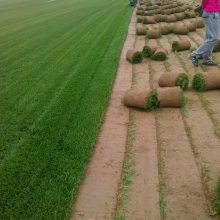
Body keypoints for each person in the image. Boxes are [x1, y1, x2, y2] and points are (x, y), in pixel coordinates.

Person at [191, 0, 220, 66]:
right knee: (214, 38)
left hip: (215, 11)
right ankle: (195, 54)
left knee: (209, 37)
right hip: (211, 12)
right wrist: (203, 8)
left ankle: (206, 59)